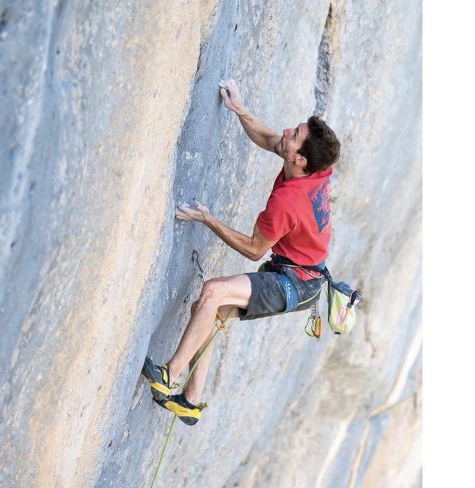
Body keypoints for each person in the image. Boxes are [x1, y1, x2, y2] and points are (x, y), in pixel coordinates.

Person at [141, 79, 341, 425]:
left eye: (294, 134)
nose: (286, 131)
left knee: (213, 291)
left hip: (294, 284)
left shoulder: (288, 202)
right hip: (301, 273)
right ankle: (191, 400)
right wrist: (239, 108)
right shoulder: (314, 167)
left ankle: (170, 377)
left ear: (300, 158)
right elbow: (269, 140)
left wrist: (208, 220)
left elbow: (252, 249)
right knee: (207, 310)